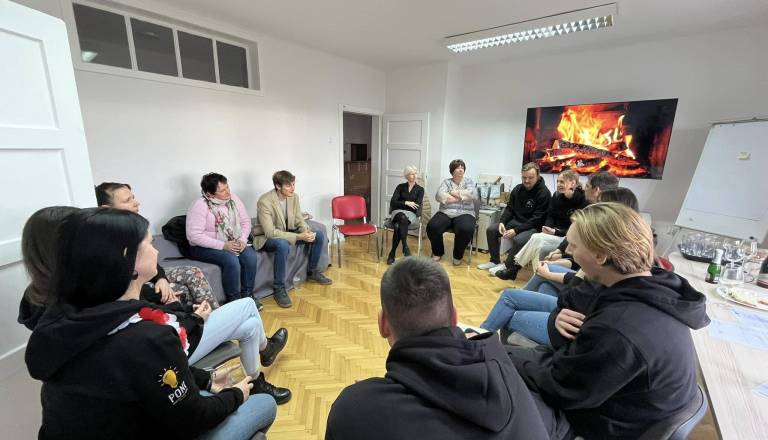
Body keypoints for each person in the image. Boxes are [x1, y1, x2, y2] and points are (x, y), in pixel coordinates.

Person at [24, 208, 277, 439]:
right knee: (263, 404)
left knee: (246, 330)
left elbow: (141, 370)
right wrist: (236, 394)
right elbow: (194, 419)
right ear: (128, 258)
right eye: (148, 243)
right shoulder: (146, 336)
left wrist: (205, 380)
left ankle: (260, 357)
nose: (156, 251)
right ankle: (260, 367)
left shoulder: (62, 320)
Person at [507, 203, 710, 439]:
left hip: (602, 424)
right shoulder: (652, 286)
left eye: (573, 246)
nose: (569, 251)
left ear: (601, 256)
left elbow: (561, 390)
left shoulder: (618, 328)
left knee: (497, 382)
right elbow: (573, 310)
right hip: (612, 399)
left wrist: (501, 356)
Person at [325, 257, 552, 440]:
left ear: (382, 324)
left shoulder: (354, 409)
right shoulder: (506, 370)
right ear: (455, 318)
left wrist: (364, 398)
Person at [96, 182, 221, 308]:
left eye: (133, 197)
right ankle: (197, 317)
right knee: (181, 291)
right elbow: (122, 287)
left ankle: (213, 315)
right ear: (107, 208)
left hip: (146, 275)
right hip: (133, 286)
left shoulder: (135, 227)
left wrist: (161, 279)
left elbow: (151, 262)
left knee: (193, 272)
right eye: (127, 200)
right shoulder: (103, 240)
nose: (136, 203)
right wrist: (157, 291)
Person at [253, 170, 332, 308]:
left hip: (286, 231)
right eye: (288, 185)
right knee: (282, 245)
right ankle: (279, 288)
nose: (293, 188)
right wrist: (298, 236)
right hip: (266, 237)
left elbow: (298, 218)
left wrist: (306, 230)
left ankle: (312, 272)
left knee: (318, 235)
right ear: (278, 186)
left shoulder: (293, 197)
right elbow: (270, 232)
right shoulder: (264, 201)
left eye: (293, 184)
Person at [187, 173, 258, 304]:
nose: (228, 192)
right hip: (202, 247)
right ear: (210, 193)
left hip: (233, 240)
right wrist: (223, 245)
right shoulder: (199, 205)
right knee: (230, 259)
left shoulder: (233, 199)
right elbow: (194, 236)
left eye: (227, 187)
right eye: (222, 190)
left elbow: (246, 222)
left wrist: (242, 240)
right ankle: (234, 301)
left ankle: (248, 295)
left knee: (250, 256)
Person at [481, 162, 551, 280]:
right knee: (492, 230)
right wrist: (502, 222)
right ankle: (494, 261)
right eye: (524, 177)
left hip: (533, 226)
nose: (526, 181)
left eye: (530, 178)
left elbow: (537, 219)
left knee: (519, 240)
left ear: (538, 176)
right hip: (516, 221)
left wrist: (516, 230)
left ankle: (507, 267)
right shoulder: (518, 189)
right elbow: (509, 208)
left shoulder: (544, 193)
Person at [511, 170, 587, 269]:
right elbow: (550, 215)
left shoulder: (583, 200)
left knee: (537, 239)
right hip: (555, 233)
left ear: (573, 183)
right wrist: (547, 228)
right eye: (558, 181)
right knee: (537, 240)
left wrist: (556, 231)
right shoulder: (557, 196)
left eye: (562, 182)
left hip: (568, 238)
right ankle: (536, 271)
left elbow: (577, 229)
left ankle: (515, 268)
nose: (558, 184)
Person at [426, 159, 477, 265]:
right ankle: (438, 252)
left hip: (465, 212)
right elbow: (439, 196)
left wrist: (451, 192)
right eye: (458, 168)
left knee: (465, 229)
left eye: (462, 167)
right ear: (452, 170)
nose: (461, 170)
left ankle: (457, 255)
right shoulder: (446, 182)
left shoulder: (469, 182)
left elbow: (472, 195)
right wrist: (461, 197)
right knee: (432, 226)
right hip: (446, 211)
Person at [385, 165, 424, 265]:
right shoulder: (400, 187)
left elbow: (416, 206)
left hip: (411, 215)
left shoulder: (420, 189)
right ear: (407, 176)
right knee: (402, 216)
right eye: (411, 174)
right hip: (397, 212)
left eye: (415, 173)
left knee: (398, 226)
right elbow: (393, 202)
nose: (414, 176)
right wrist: (406, 203)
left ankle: (392, 253)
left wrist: (401, 203)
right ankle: (405, 247)